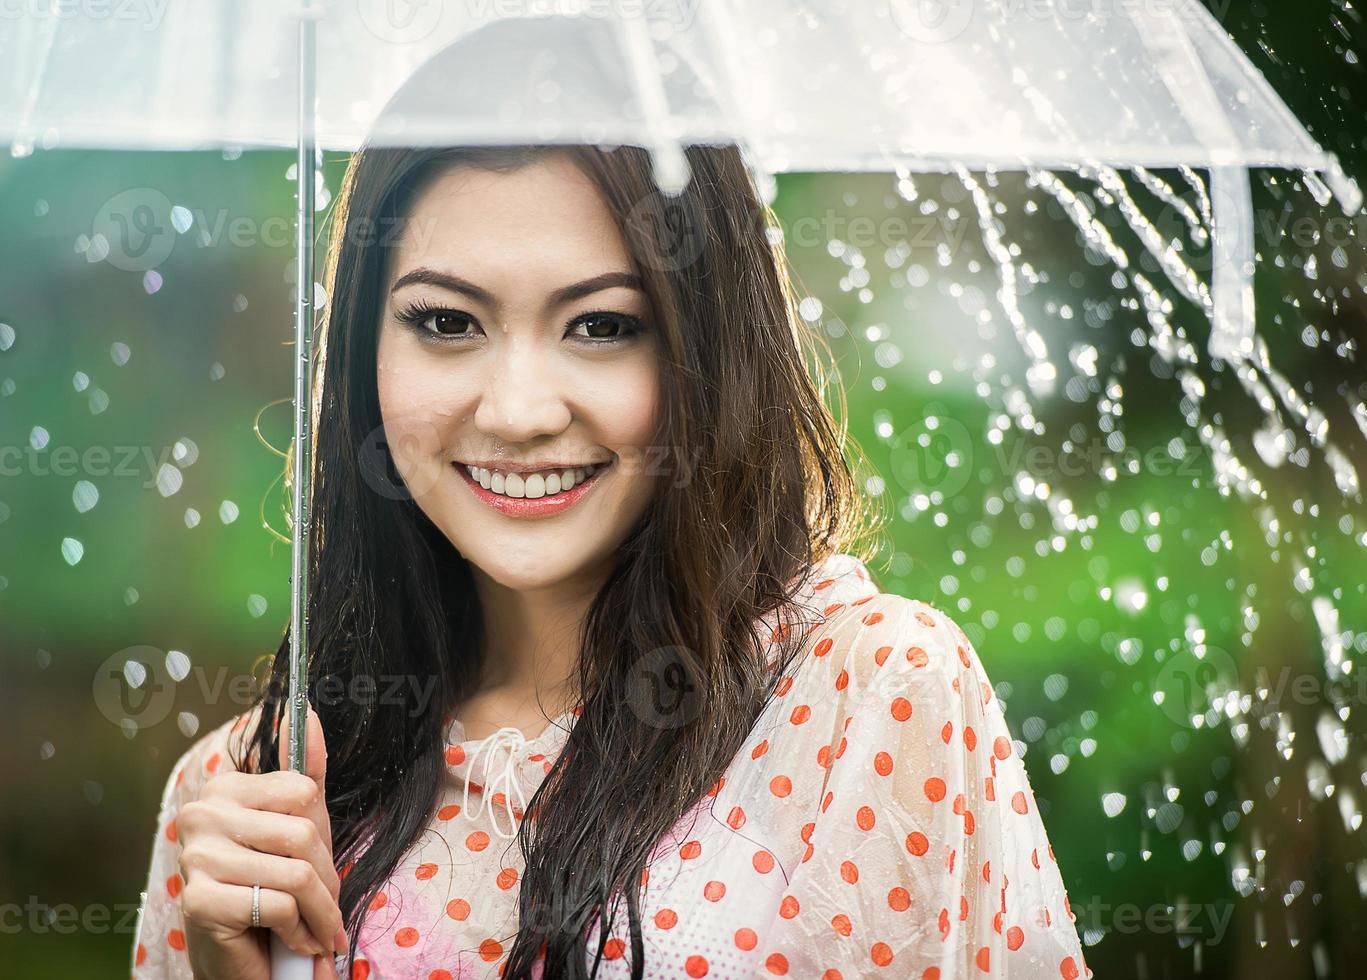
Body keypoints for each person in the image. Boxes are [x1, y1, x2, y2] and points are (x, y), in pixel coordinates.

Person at [131, 25, 1087, 980]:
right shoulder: (251, 802)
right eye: (447, 322)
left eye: (599, 325)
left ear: (704, 352)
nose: (517, 412)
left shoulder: (868, 701)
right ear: (361, 357)